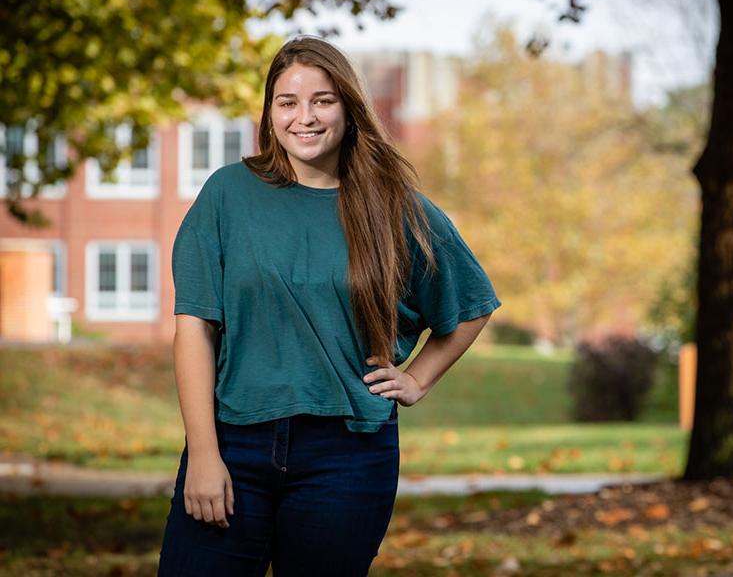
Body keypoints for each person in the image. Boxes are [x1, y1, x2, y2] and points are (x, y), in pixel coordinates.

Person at [156, 35, 502, 576]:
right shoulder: (228, 194)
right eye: (287, 102)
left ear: (348, 107)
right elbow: (195, 329)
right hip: (234, 443)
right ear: (270, 113)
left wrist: (418, 379)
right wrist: (203, 454)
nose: (305, 117)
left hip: (348, 457)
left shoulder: (395, 207)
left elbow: (472, 304)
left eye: (322, 100)